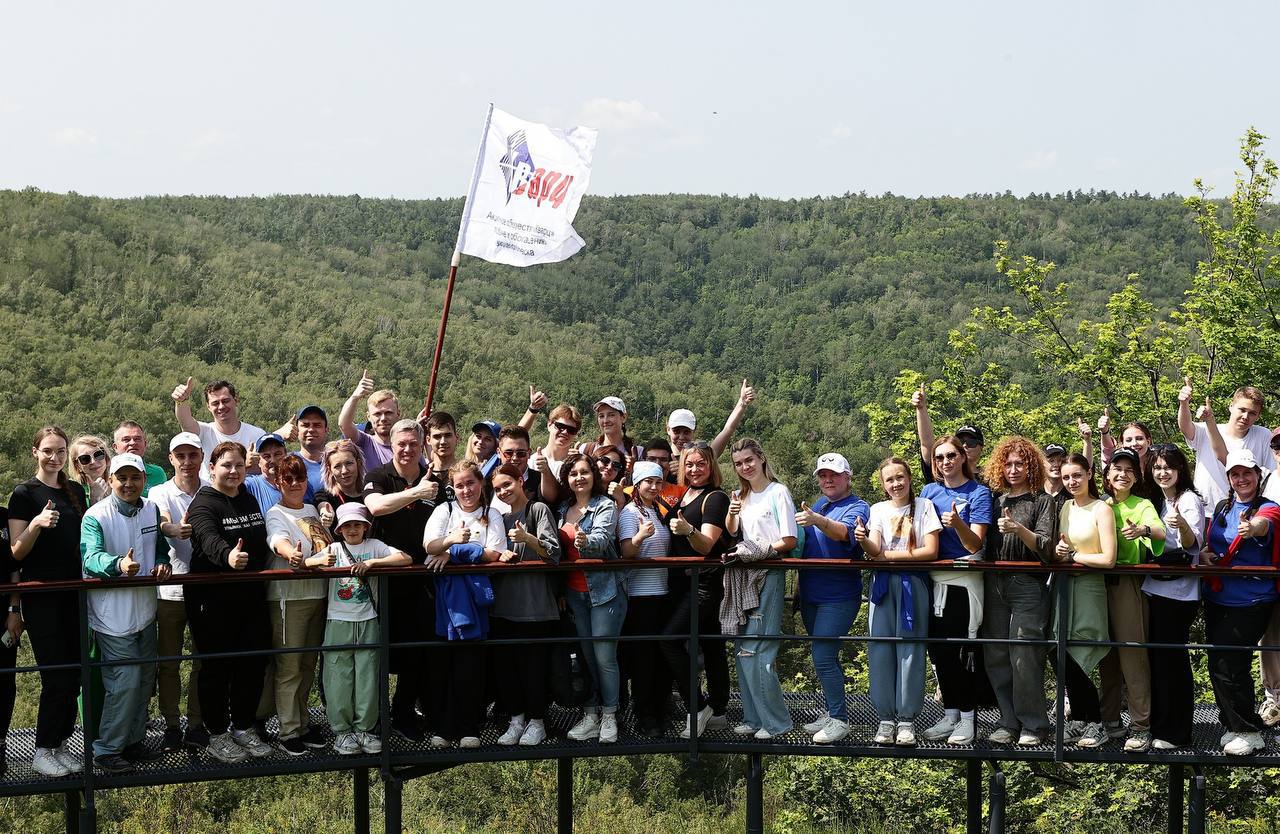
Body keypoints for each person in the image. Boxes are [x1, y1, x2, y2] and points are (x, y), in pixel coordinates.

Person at [79, 453, 171, 773]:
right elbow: (90, 557)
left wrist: (162, 563)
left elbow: (160, 548)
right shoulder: (96, 516)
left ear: (145, 480)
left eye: (135, 477)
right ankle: (106, 750)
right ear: (111, 480)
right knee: (126, 681)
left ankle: (132, 741)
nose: (129, 484)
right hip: (111, 616)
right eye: (122, 478)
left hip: (145, 611)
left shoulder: (151, 509)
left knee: (145, 679)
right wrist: (117, 565)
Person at [185, 441, 274, 763]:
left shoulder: (248, 498)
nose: (233, 471)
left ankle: (242, 726)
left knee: (252, 662)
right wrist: (228, 556)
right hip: (212, 600)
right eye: (226, 465)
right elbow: (207, 538)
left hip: (250, 596)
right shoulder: (204, 503)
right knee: (217, 668)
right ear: (212, 469)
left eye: (238, 465)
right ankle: (216, 733)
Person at [9, 426, 87, 776]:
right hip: (41, 595)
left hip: (74, 593)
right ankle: (42, 749)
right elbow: (16, 551)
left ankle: (60, 743)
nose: (54, 457)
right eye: (48, 451)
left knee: (74, 675)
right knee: (55, 674)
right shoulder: (24, 494)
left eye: (60, 451)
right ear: (35, 452)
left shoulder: (75, 491)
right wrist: (38, 523)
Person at [363, 418, 446, 742]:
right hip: (386, 578)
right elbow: (376, 507)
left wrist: (447, 552)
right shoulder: (379, 475)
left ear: (422, 445)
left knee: (417, 652)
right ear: (392, 445)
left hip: (423, 580)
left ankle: (403, 712)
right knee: (381, 650)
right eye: (402, 444)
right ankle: (374, 717)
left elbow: (449, 520)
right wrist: (416, 492)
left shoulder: (435, 479)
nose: (408, 449)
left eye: (414, 444)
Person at [307, 502, 410, 755]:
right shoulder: (332, 549)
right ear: (340, 529)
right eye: (347, 526)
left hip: (367, 619)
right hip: (338, 620)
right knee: (337, 678)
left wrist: (374, 563)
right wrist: (315, 561)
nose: (352, 530)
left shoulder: (374, 546)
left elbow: (405, 558)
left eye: (357, 525)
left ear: (365, 527)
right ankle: (342, 732)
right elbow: (307, 563)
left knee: (368, 676)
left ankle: (365, 728)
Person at [856, 456, 940, 746]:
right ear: (883, 484)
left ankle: (906, 720)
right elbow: (874, 547)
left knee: (911, 651)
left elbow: (931, 550)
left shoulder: (925, 507)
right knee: (880, 649)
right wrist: (863, 540)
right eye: (889, 480)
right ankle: (885, 718)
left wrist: (886, 557)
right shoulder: (877, 509)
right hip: (882, 586)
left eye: (900, 477)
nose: (896, 484)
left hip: (912, 584)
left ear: (909, 477)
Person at [1201, 449, 1279, 755]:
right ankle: (1233, 724)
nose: (1241, 479)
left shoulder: (1269, 508)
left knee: (1232, 663)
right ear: (1229, 478)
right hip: (1218, 595)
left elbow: (1264, 525)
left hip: (1252, 599)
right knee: (1217, 662)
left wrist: (1252, 528)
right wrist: (1206, 554)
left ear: (1258, 476)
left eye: (1247, 473)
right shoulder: (1223, 507)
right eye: (1235, 474)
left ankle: (1249, 730)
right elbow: (1212, 544)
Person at [423, 461, 506, 748]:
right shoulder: (443, 511)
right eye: (459, 485)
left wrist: (453, 551)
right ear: (452, 487)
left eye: (470, 483)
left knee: (471, 665)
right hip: (446, 602)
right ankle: (445, 728)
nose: (465, 490)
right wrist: (451, 542)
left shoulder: (491, 514)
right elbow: (429, 546)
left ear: (480, 484)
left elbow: (494, 554)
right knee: (444, 665)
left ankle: (470, 727)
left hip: (477, 600)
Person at [981, 437, 1055, 746]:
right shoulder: (995, 499)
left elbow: (1046, 548)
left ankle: (1034, 724)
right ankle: (1008, 720)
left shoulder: (1042, 500)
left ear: (1031, 466)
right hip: (994, 581)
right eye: (1008, 463)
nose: (1013, 469)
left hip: (1027, 583)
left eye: (1019, 463)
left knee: (1024, 655)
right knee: (996, 654)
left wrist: (1018, 529)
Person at [723, 438, 797, 740]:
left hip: (768, 573)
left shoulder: (778, 493)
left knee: (760, 649)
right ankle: (754, 718)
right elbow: (732, 530)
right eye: (739, 463)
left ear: (761, 459)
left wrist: (760, 552)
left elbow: (789, 539)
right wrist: (732, 510)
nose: (745, 467)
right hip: (745, 576)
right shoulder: (742, 495)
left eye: (749, 460)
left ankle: (776, 722)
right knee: (743, 649)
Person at [920, 435, 992, 745]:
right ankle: (950, 713)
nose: (945, 462)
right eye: (939, 458)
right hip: (932, 580)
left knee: (962, 652)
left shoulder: (979, 493)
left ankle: (967, 718)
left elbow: (976, 542)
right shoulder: (928, 491)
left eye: (951, 455)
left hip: (962, 581)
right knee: (939, 653)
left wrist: (958, 523)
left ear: (962, 457)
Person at [793, 452, 869, 744]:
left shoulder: (858, 506)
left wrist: (816, 519)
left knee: (823, 656)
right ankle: (832, 711)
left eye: (834, 475)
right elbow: (809, 548)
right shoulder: (820, 504)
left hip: (838, 596)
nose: (828, 480)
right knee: (826, 657)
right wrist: (799, 588)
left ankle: (839, 720)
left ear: (848, 478)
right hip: (812, 594)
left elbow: (842, 533)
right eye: (823, 475)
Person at [660, 442, 732, 738]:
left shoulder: (715, 498)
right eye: (689, 464)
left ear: (711, 466)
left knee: (669, 641)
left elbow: (707, 545)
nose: (694, 470)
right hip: (682, 583)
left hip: (703, 584)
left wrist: (689, 530)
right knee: (713, 646)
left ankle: (698, 705)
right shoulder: (684, 495)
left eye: (700, 463)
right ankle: (718, 710)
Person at [262, 454, 331, 755]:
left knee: (307, 665)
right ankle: (288, 730)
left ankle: (302, 723)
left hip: (317, 594)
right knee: (289, 667)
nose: (293, 484)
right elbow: (278, 540)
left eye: (299, 478)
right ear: (278, 482)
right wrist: (292, 555)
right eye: (287, 479)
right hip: (288, 598)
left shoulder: (312, 509)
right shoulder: (275, 513)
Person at [489, 463, 562, 747]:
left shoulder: (538, 510)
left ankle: (537, 722)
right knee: (508, 669)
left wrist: (527, 538)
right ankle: (516, 720)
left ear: (520, 481)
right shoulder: (497, 518)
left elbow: (553, 554)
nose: (504, 491)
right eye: (497, 489)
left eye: (507, 484)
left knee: (534, 670)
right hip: (503, 606)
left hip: (535, 607)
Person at [1098, 447, 1164, 752]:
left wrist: (1143, 530)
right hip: (1096, 585)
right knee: (1104, 656)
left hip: (1127, 584)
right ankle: (1109, 720)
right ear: (1107, 475)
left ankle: (1140, 725)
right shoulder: (1100, 506)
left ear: (1136, 477)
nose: (1122, 474)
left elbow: (1160, 532)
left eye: (1128, 470)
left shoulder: (1142, 505)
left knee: (1133, 656)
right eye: (1117, 469)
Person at [558, 452, 625, 744]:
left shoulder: (605, 505)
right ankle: (590, 714)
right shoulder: (562, 508)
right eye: (573, 474)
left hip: (605, 591)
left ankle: (609, 714)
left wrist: (585, 541)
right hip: (574, 593)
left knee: (604, 657)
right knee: (586, 657)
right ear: (567, 480)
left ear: (593, 475)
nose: (579, 478)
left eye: (584, 472)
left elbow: (601, 540)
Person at [1052, 453, 1117, 749]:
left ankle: (1095, 721)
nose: (1071, 482)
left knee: (1082, 651)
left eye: (1076, 475)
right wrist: (1060, 550)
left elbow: (1108, 558)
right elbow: (1057, 548)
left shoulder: (1101, 508)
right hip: (1064, 590)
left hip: (1090, 589)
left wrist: (1074, 556)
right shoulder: (1064, 506)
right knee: (1059, 650)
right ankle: (1080, 716)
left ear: (1089, 474)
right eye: (1066, 477)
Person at [1143, 444, 1204, 750]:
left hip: (1178, 592)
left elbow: (1193, 544)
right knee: (1158, 659)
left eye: (1168, 467)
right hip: (1154, 587)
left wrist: (1181, 525)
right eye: (1156, 467)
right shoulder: (1155, 501)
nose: (1162, 472)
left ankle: (1176, 732)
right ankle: (1160, 726)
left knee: (1172, 660)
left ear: (1180, 469)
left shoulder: (1188, 500)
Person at [148, 431, 206, 750]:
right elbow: (163, 520)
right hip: (169, 590)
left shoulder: (210, 491)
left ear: (201, 458)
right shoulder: (160, 491)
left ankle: (196, 724)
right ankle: (171, 725)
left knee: (202, 661)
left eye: (192, 455)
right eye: (180, 456)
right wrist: (174, 529)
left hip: (203, 588)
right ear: (171, 459)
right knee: (168, 661)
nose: (186, 461)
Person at [617, 461, 674, 738]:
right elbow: (626, 551)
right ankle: (645, 717)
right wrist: (640, 536)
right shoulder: (629, 513)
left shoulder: (658, 511)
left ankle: (658, 712)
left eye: (657, 482)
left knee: (659, 659)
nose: (653, 486)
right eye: (647, 482)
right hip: (640, 597)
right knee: (643, 660)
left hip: (661, 594)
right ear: (637, 485)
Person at [1178, 381, 1271, 507]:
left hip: (1244, 509)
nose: (1245, 416)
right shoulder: (1206, 430)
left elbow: (1271, 475)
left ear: (1258, 416)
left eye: (1252, 413)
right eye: (1242, 410)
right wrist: (1184, 403)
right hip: (1205, 509)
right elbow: (1186, 428)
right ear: (1231, 406)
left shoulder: (1263, 435)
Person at [172, 378, 266, 477]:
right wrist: (181, 401)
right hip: (210, 491)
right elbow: (185, 422)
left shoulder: (257, 435)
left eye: (225, 401)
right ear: (208, 406)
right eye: (215, 403)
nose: (221, 407)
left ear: (236, 400)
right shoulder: (203, 432)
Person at [911, 382, 984, 482]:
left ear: (981, 448)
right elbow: (927, 444)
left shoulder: (990, 479)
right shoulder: (943, 471)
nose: (965, 446)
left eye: (971, 442)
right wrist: (921, 408)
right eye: (960, 442)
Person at [664, 378, 756, 457]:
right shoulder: (660, 458)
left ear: (694, 432)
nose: (681, 437)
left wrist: (742, 403)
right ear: (668, 429)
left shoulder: (703, 457)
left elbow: (728, 430)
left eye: (686, 432)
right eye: (676, 431)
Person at [338, 371, 407, 469]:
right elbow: (344, 425)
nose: (383, 418)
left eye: (388, 413)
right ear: (368, 416)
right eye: (377, 414)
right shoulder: (364, 442)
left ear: (398, 414)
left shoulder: (408, 448)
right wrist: (355, 397)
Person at [529, 403, 583, 504]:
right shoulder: (532, 461)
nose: (565, 432)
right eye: (560, 426)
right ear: (549, 425)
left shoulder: (576, 466)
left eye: (571, 430)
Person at [243, 433, 309, 513]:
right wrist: (243, 465)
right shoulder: (251, 485)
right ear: (258, 461)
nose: (273, 460)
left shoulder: (300, 482)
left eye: (277, 454)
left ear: (286, 456)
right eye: (267, 456)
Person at [315, 439, 367, 531]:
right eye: (337, 466)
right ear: (330, 469)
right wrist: (326, 514)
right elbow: (324, 506)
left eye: (349, 463)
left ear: (358, 463)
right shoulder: (325, 495)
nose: (344, 471)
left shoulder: (370, 493)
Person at [111, 421, 167, 495]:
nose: (132, 443)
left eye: (137, 439)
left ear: (145, 444)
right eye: (126, 439)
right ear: (115, 447)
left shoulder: (158, 474)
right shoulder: (106, 474)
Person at [292, 405, 331, 494]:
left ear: (326, 430)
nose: (311, 429)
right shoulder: (287, 463)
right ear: (296, 430)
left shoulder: (338, 463)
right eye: (305, 425)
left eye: (317, 425)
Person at [69, 434, 111, 505]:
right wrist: (94, 498)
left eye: (98, 454)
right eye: (85, 458)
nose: (93, 462)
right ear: (77, 465)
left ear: (106, 457)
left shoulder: (118, 484)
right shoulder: (71, 490)